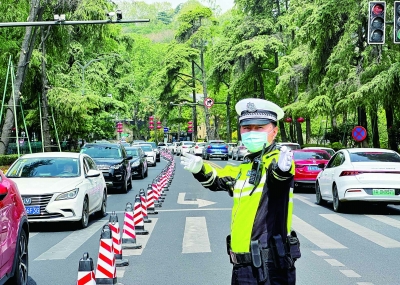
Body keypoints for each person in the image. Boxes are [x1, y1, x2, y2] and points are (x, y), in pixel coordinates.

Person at [181, 98, 300, 285]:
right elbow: (219, 179)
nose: (251, 132)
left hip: (269, 267)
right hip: (243, 267)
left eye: (259, 128)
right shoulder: (245, 167)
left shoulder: (278, 161)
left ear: (274, 131)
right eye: (247, 128)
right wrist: (199, 169)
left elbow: (277, 180)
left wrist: (281, 171)